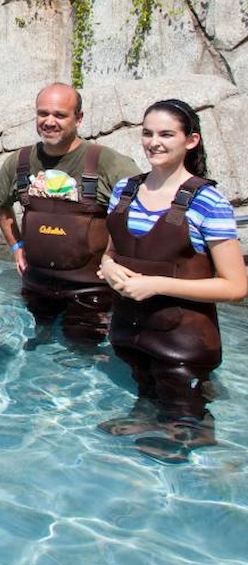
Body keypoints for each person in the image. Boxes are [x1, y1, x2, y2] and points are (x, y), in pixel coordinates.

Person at [97, 99, 246, 464]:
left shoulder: (207, 202)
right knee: (145, 388)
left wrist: (157, 284)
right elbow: (109, 253)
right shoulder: (125, 190)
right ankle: (146, 412)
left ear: (190, 140)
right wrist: (108, 268)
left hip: (183, 342)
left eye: (166, 134)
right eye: (148, 133)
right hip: (132, 332)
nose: (154, 142)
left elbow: (235, 286)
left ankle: (195, 431)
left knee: (178, 426)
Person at [0, 82, 139, 346]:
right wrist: (17, 246)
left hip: (92, 292)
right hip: (37, 286)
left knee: (80, 353)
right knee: (28, 345)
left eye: (59, 115)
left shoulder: (107, 163)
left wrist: (114, 257)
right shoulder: (20, 162)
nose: (49, 121)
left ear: (78, 118)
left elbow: (142, 211)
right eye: (43, 113)